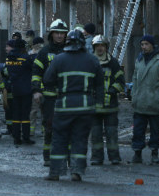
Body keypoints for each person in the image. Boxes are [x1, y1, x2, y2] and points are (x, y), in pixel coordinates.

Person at [43, 29, 103, 182]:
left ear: (67, 42)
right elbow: (100, 85)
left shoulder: (59, 59)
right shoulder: (93, 60)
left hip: (64, 106)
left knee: (59, 139)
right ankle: (77, 172)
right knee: (80, 139)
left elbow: (48, 80)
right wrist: (99, 105)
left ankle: (55, 172)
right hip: (85, 107)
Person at [32, 18, 69, 166]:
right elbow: (36, 72)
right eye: (57, 33)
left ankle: (66, 156)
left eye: (62, 33)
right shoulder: (44, 52)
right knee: (49, 126)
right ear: (51, 34)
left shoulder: (71, 50)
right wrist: (36, 90)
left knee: (68, 127)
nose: (60, 36)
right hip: (49, 96)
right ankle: (48, 156)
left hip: (68, 96)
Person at [130, 34, 159, 164]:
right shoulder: (140, 59)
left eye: (146, 44)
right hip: (140, 101)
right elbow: (135, 79)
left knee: (155, 130)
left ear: (152, 45)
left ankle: (154, 153)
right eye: (142, 44)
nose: (144, 47)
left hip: (155, 100)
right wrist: (133, 95)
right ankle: (137, 153)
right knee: (138, 130)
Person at [90, 35, 125, 165]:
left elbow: (121, 82)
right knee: (96, 134)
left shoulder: (113, 63)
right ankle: (96, 158)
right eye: (97, 46)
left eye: (102, 46)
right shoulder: (90, 62)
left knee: (112, 133)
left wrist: (112, 90)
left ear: (106, 47)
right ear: (94, 47)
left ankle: (114, 157)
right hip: (94, 106)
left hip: (110, 106)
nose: (100, 48)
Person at [5, 39, 34, 145]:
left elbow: (8, 70)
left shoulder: (9, 58)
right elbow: (32, 69)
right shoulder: (26, 58)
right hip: (26, 89)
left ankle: (16, 137)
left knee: (16, 113)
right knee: (25, 114)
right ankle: (26, 137)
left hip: (14, 88)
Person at [28, 36, 45, 137]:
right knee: (44, 111)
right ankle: (44, 129)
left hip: (34, 87)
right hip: (44, 87)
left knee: (33, 110)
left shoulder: (29, 56)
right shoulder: (46, 55)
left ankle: (31, 130)